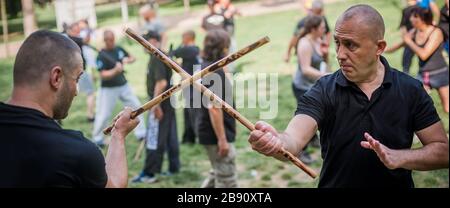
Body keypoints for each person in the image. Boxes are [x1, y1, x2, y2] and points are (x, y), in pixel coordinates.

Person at [248, 5, 449, 188]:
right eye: (337, 42)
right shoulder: (324, 89)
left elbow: (442, 152)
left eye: (350, 45)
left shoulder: (410, 89)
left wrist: (400, 157)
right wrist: (277, 143)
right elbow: (292, 140)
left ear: (379, 47)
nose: (340, 54)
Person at [0, 30, 139, 188]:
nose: (77, 91)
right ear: (56, 77)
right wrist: (118, 135)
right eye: (77, 78)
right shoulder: (74, 153)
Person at [132, 31, 180, 183]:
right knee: (170, 134)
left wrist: (155, 105)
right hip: (167, 101)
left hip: (160, 102)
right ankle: (174, 167)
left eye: (143, 42)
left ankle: (149, 173)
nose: (142, 46)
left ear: (152, 41)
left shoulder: (156, 58)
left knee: (153, 138)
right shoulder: (161, 55)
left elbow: (161, 83)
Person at [92, 30, 147, 147]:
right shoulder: (101, 55)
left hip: (123, 85)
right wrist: (115, 71)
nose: (111, 42)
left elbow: (133, 58)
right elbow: (102, 74)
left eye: (113, 40)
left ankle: (141, 133)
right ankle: (98, 138)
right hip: (108, 88)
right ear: (105, 40)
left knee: (136, 107)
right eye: (109, 40)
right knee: (103, 114)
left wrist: (127, 60)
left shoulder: (119, 49)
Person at [198, 30, 237, 188]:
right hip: (215, 134)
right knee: (227, 179)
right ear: (224, 48)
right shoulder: (214, 72)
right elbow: (214, 108)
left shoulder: (205, 66)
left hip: (210, 129)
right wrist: (222, 139)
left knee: (218, 171)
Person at [292, 15, 329, 164]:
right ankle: (301, 150)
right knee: (306, 118)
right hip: (302, 86)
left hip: (314, 85)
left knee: (317, 116)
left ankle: (313, 139)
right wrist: (325, 76)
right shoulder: (304, 44)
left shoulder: (318, 40)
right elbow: (306, 69)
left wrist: (325, 55)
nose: (325, 30)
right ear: (313, 29)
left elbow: (323, 63)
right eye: (322, 27)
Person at [402, 7, 449, 113]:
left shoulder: (436, 32)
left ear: (423, 19)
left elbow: (424, 54)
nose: (411, 19)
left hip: (440, 74)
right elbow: (401, 44)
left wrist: (409, 41)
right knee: (413, 104)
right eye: (411, 16)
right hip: (422, 75)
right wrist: (381, 49)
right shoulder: (414, 32)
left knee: (447, 108)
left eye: (415, 17)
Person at [169, 30, 202, 144]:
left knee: (193, 112)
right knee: (188, 112)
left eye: (183, 37)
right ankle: (189, 138)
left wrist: (176, 48)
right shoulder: (194, 50)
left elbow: (172, 53)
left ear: (188, 38)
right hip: (190, 84)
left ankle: (198, 137)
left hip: (193, 85)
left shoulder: (189, 49)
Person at [385, 0, 418, 74]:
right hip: (415, 38)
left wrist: (406, 37)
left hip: (411, 38)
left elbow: (403, 27)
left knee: (406, 61)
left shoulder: (407, 10)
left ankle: (406, 75)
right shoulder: (421, 8)